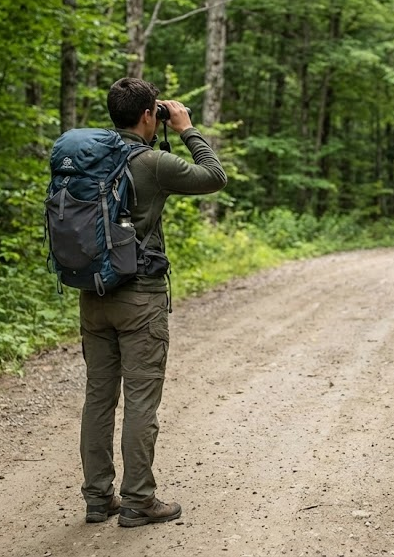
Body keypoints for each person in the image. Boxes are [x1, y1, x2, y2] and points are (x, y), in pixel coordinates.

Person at [79, 77, 227, 527]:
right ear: (150, 115)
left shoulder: (89, 158)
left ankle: (98, 499)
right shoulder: (153, 162)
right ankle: (140, 500)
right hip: (139, 297)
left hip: (93, 294)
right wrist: (185, 128)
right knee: (141, 401)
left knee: (98, 399)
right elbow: (214, 177)